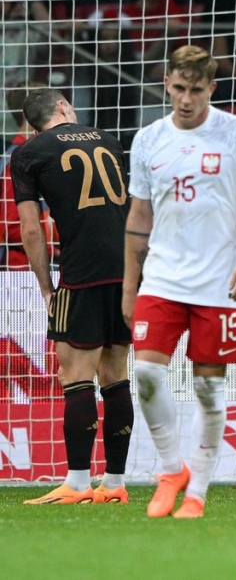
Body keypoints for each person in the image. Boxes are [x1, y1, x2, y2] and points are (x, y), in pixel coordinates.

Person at [123, 45, 236, 518]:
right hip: (163, 279)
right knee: (147, 376)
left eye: (195, 90)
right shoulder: (148, 139)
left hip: (219, 284)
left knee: (209, 391)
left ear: (211, 88)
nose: (185, 99)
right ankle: (172, 470)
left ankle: (197, 493)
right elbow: (139, 215)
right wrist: (130, 288)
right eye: (178, 88)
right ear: (166, 85)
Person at [11, 88, 134, 505]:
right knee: (115, 375)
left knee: (75, 375)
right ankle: (115, 483)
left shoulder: (29, 153)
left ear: (31, 125)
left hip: (81, 272)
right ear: (64, 107)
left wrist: (47, 288)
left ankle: (78, 484)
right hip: (127, 271)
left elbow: (30, 230)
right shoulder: (108, 140)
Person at [2, 81, 54, 269]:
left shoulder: (26, 156)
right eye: (50, 110)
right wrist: (55, 244)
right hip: (24, 272)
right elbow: (10, 225)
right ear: (30, 115)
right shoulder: (18, 159)